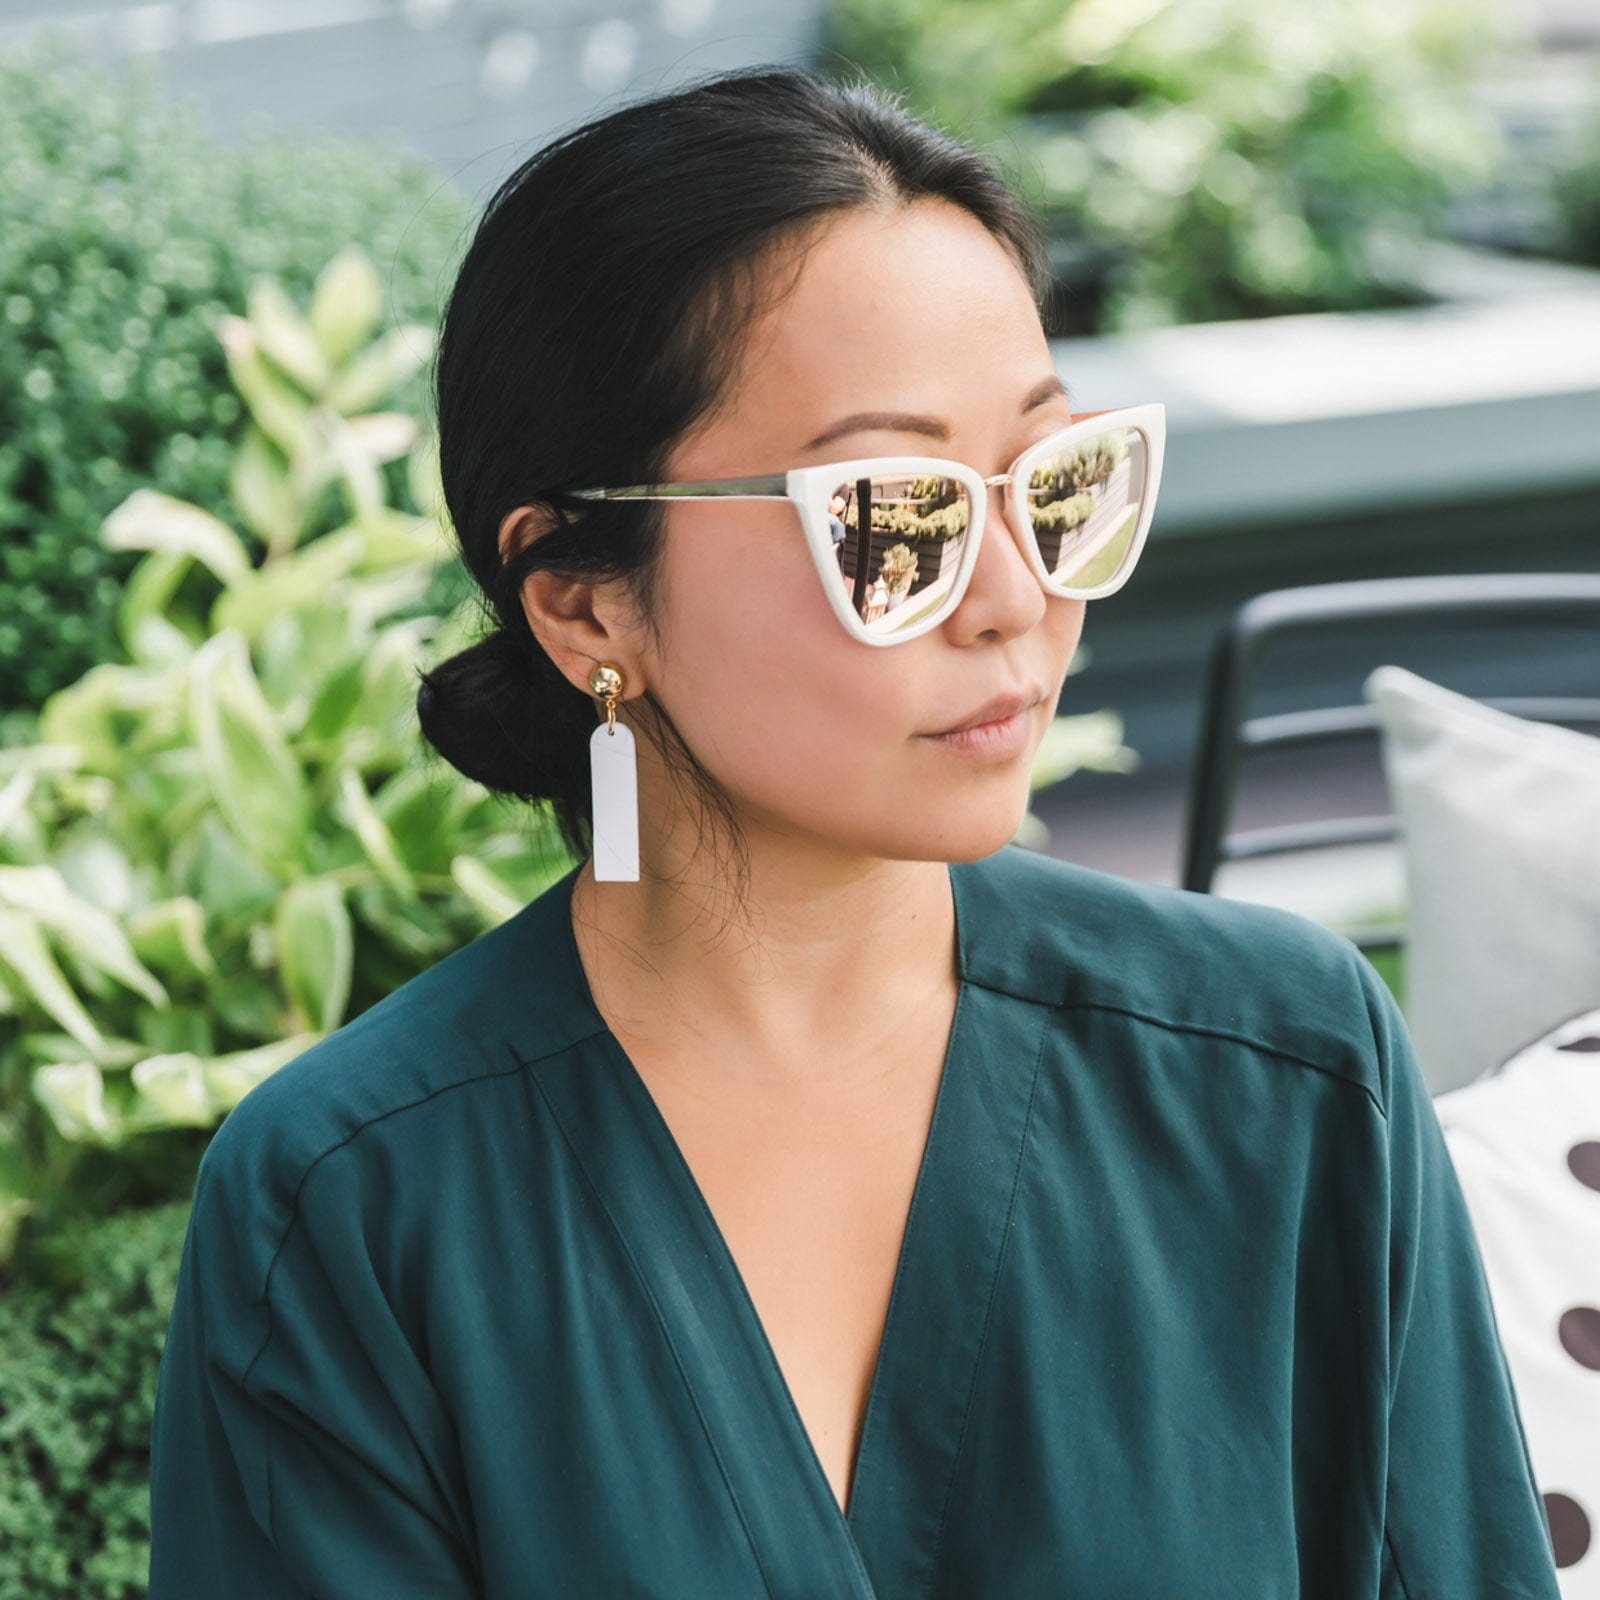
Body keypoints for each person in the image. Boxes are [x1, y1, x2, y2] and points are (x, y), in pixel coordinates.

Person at [145, 65, 1561, 1600]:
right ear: (584, 598)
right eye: (897, 520)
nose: (1019, 600)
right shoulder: (355, 1204)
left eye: (1055, 485)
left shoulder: (1281, 1069)